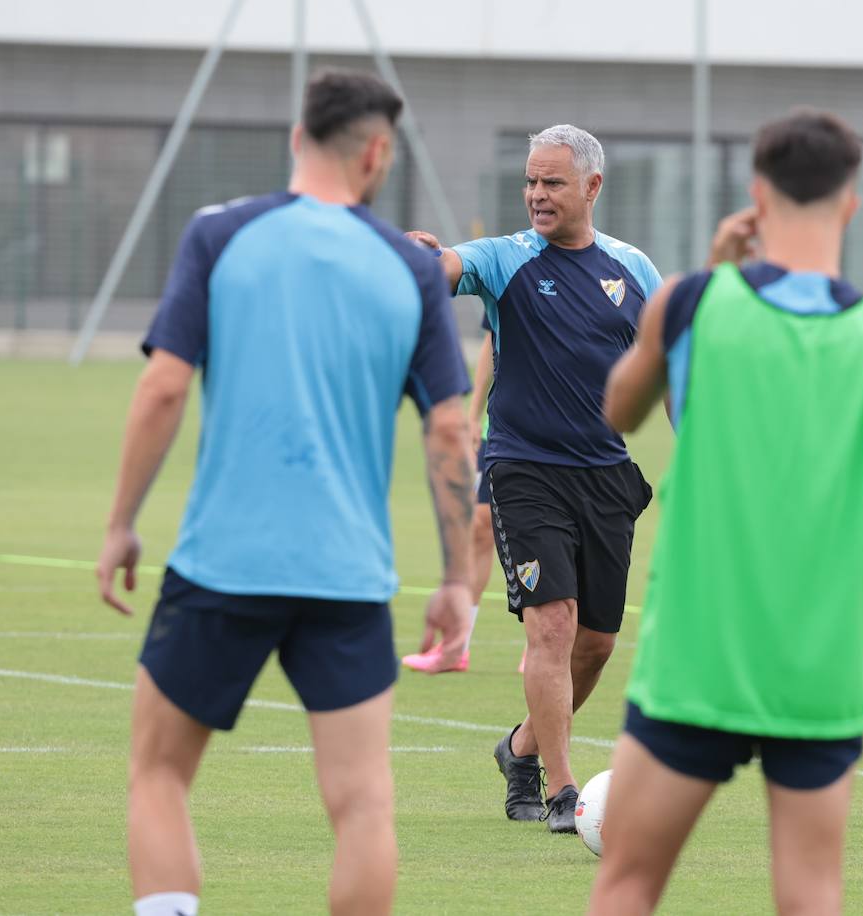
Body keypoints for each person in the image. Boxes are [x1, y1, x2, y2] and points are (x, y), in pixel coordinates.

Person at [94, 69, 474, 916]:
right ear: (378, 153)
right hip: (345, 577)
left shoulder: (218, 235)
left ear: (298, 138)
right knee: (363, 803)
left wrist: (121, 522)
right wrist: (456, 578)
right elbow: (450, 429)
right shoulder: (408, 267)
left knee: (158, 772)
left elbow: (161, 390)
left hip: (224, 564)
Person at [587, 108, 863, 915]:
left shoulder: (688, 304)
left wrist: (704, 280)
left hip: (695, 662)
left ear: (756, 193)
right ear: (852, 201)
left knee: (628, 884)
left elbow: (618, 411)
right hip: (817, 675)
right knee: (811, 896)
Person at [407, 124, 663, 832]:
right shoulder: (506, 259)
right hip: (525, 470)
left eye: (552, 182)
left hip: (607, 476)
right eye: (530, 181)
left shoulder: (635, 271)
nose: (537, 195)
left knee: (598, 643)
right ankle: (562, 790)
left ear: (592, 187)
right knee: (552, 627)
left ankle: (519, 748)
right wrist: (423, 262)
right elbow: (450, 267)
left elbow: (673, 372)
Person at [402, 321, 498, 674]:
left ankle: (553, 641)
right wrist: (474, 413)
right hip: (503, 428)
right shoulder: (506, 268)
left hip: (567, 434)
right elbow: (493, 337)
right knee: (480, 526)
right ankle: (460, 644)